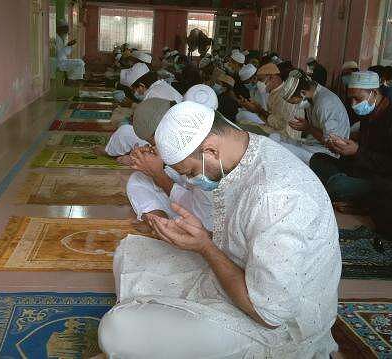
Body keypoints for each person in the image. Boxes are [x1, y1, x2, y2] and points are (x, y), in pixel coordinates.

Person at [98, 101, 342, 358]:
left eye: (190, 172)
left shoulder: (276, 199)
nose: (191, 181)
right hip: (239, 268)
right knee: (129, 252)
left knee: (115, 330)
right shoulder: (246, 148)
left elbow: (270, 315)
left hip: (279, 327)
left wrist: (205, 246)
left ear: (211, 151)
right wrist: (203, 239)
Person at [309, 71, 392, 209]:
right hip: (363, 170)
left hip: (387, 181)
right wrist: (341, 148)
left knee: (338, 185)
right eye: (351, 99)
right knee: (317, 159)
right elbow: (364, 151)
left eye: (357, 99)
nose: (353, 104)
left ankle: (351, 196)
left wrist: (358, 151)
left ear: (374, 93)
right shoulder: (368, 114)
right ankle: (339, 188)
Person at [122, 98, 214, 232]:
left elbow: (204, 217)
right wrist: (154, 162)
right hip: (195, 201)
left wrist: (158, 174)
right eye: (153, 145)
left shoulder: (208, 159)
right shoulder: (186, 135)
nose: (156, 148)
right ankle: (157, 216)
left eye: (155, 143)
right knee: (138, 178)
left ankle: (161, 223)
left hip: (209, 223)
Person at [273, 69, 350, 164]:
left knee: (280, 149)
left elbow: (333, 144)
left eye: (294, 102)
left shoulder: (325, 103)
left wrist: (308, 128)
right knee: (274, 138)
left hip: (327, 154)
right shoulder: (312, 97)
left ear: (302, 93)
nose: (296, 105)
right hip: (312, 145)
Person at [240, 63, 303, 139]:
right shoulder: (273, 93)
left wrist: (259, 110)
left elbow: (280, 124)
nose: (258, 83)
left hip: (285, 136)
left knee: (244, 130)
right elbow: (271, 120)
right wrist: (258, 109)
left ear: (272, 77)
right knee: (243, 124)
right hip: (273, 129)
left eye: (260, 80)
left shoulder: (285, 94)